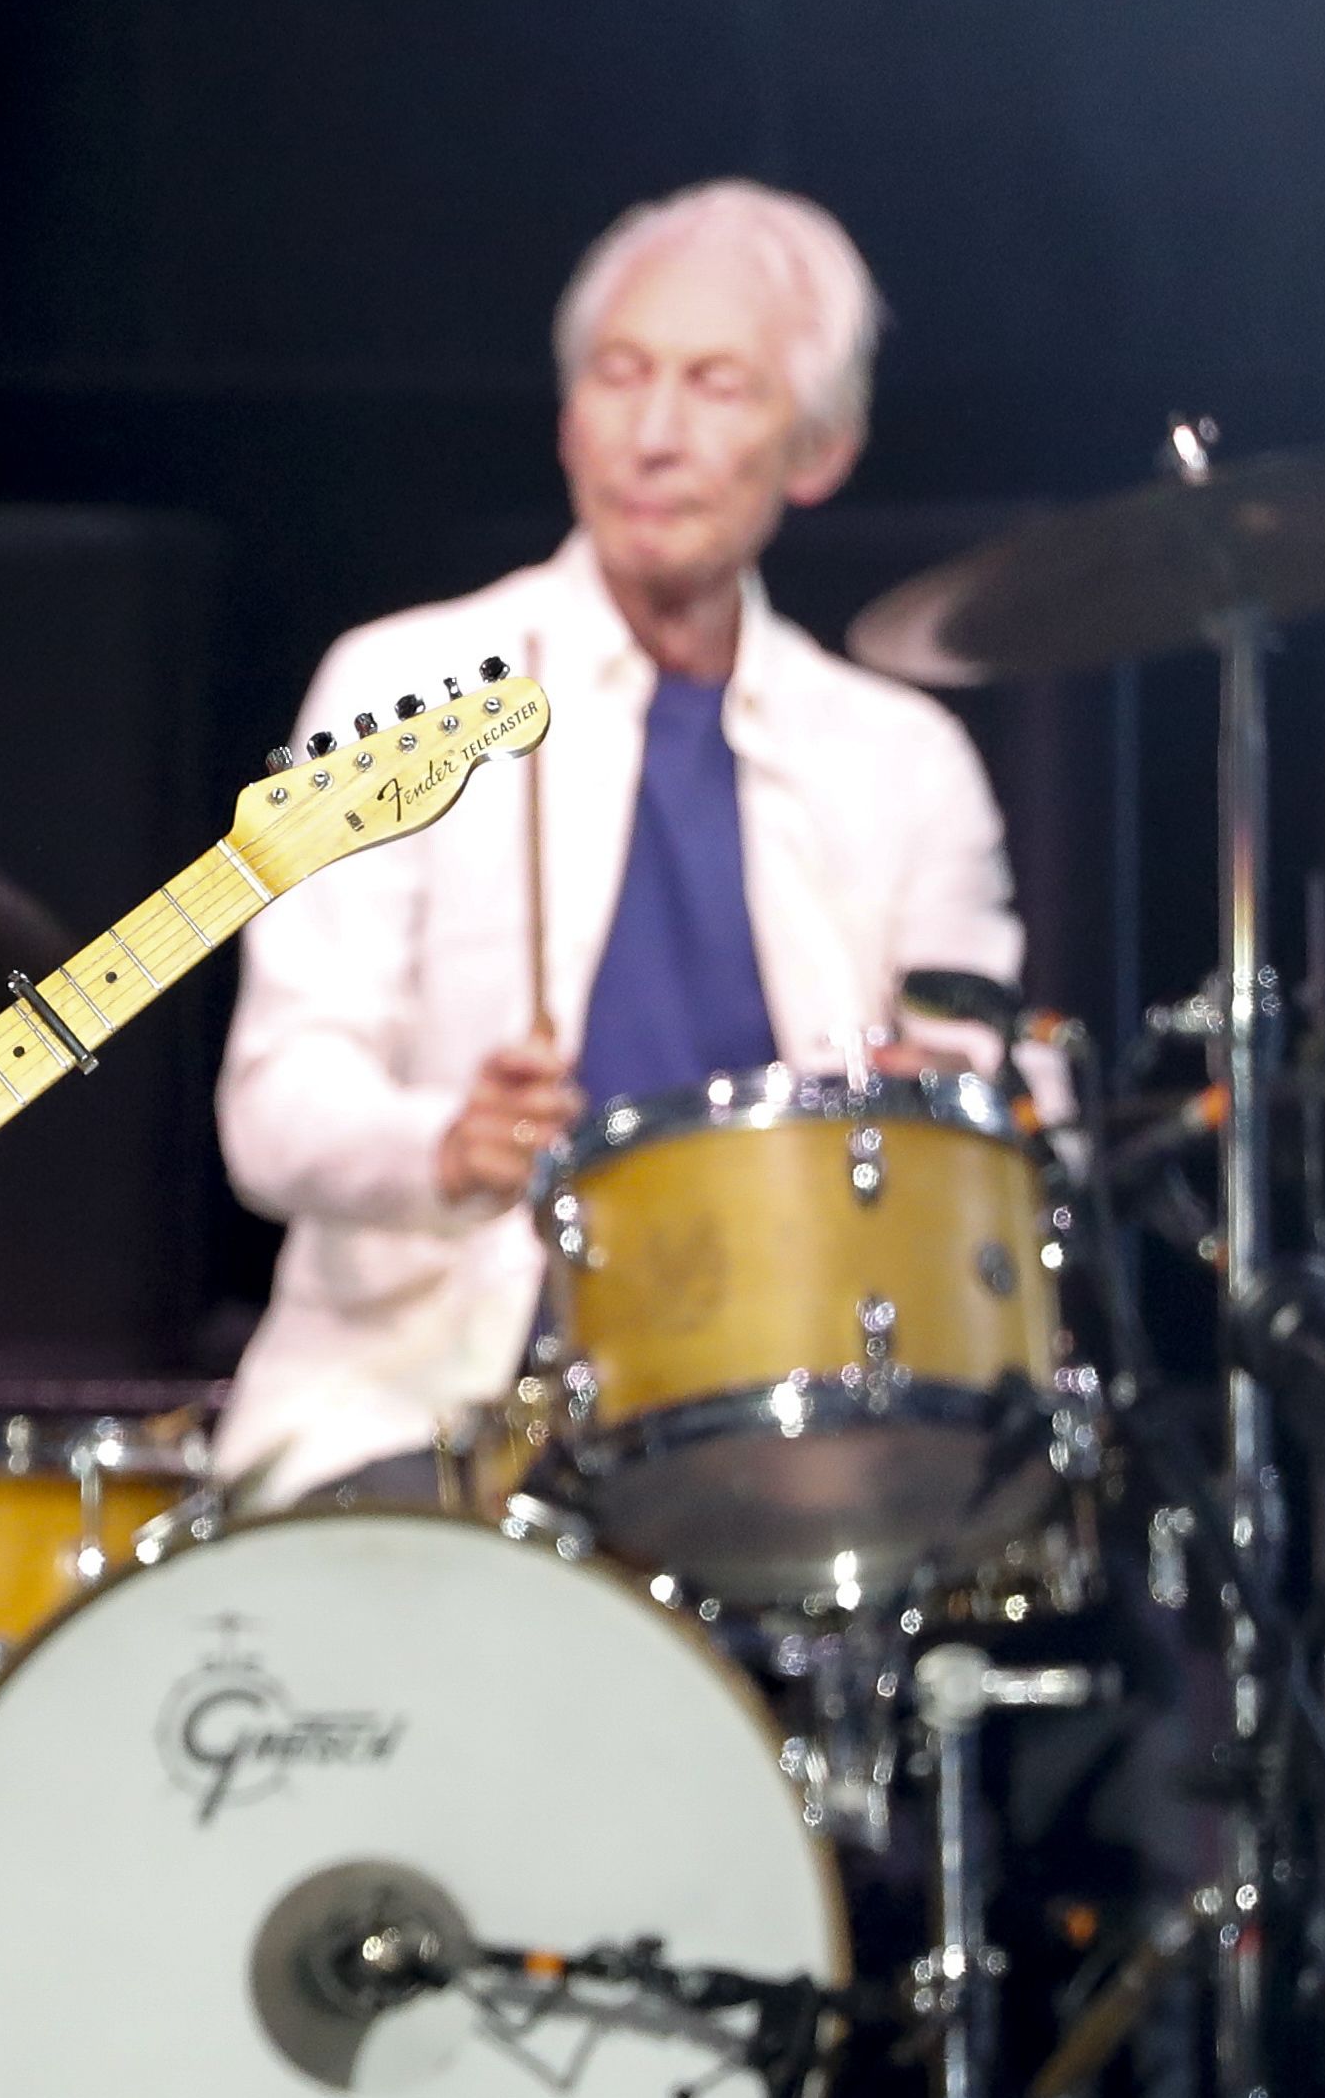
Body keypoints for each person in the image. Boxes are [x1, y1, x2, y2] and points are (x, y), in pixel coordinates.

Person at [212, 179, 1034, 1507]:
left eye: (718, 386)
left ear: (817, 447)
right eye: (620, 374)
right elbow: (272, 1108)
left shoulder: (903, 761)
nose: (654, 434)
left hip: (795, 1399)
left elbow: (982, 1085)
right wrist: (447, 1146)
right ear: (567, 416)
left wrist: (931, 1093)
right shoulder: (406, 684)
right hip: (431, 1397)